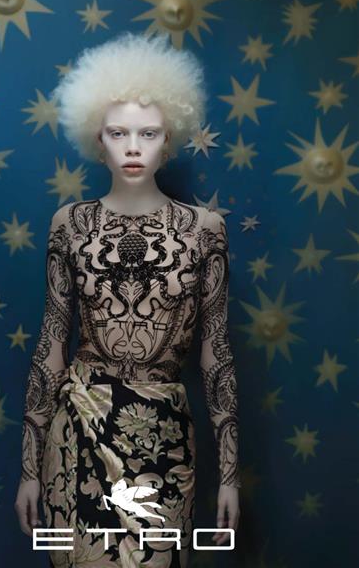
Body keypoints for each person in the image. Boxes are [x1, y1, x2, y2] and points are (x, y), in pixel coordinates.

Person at [14, 31, 241, 567]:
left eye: (148, 133)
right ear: (99, 139)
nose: (133, 147)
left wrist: (230, 477)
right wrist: (28, 469)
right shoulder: (70, 225)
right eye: (118, 133)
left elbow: (216, 354)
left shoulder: (204, 230)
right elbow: (51, 344)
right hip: (78, 430)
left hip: (164, 435)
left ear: (169, 139)